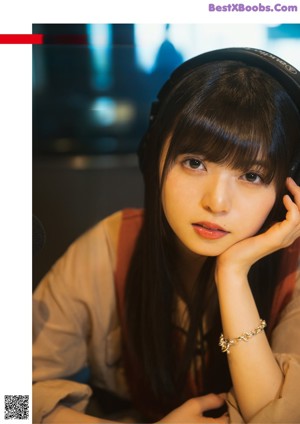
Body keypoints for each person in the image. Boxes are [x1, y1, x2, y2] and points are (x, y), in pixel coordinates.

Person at [33, 48, 300, 423]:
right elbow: (10, 402)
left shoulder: (295, 269)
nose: (217, 202)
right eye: (195, 163)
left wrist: (232, 273)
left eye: (252, 175)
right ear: (155, 159)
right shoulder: (111, 247)